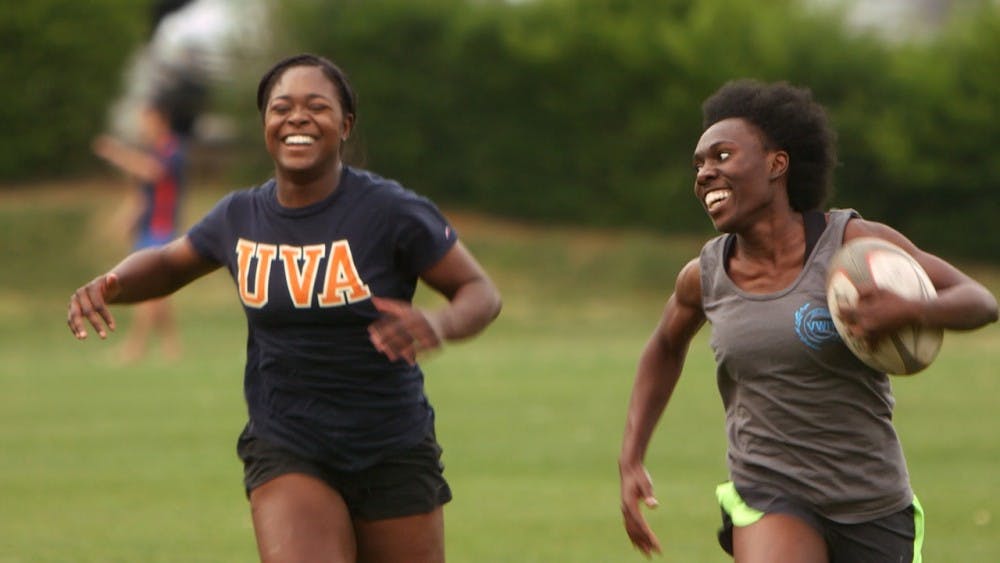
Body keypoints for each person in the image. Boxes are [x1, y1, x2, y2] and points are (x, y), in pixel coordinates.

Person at [69, 53, 502, 563]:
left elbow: (480, 292)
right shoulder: (241, 216)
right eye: (282, 107)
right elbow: (169, 262)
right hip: (288, 442)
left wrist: (439, 321)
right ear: (265, 125)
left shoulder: (389, 210)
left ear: (345, 125)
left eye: (316, 107)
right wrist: (111, 284)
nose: (296, 117)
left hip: (391, 444)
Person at [618, 79, 998, 562]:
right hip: (769, 492)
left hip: (870, 499)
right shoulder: (704, 275)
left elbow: (979, 300)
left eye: (722, 156)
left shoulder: (851, 244)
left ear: (778, 163)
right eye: (699, 164)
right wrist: (631, 457)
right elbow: (664, 348)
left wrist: (911, 309)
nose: (705, 173)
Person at [92, 99, 186, 363]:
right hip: (147, 229)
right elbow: (144, 195)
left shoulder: (171, 149)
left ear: (161, 120)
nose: (143, 126)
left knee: (148, 288)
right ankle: (172, 347)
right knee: (157, 292)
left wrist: (116, 153)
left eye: (147, 120)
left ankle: (135, 347)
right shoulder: (153, 150)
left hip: (162, 229)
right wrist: (127, 218)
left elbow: (152, 173)